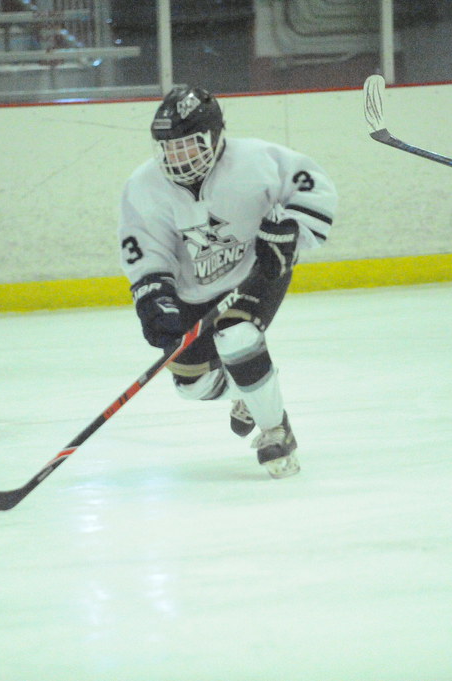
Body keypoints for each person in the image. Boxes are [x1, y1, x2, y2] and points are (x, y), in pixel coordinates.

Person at [118, 85, 337, 478]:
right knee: (192, 385)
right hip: (191, 291)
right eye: (169, 148)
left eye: (188, 145)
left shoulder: (258, 160)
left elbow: (312, 187)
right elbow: (146, 250)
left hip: (256, 271)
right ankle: (252, 394)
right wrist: (154, 299)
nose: (178, 157)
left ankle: (275, 430)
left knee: (237, 336)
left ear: (215, 135)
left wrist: (290, 232)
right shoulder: (143, 185)